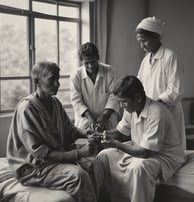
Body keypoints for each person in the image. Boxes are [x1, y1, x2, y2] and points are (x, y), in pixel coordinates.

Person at [6, 61, 104, 202]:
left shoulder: (55, 103)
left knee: (95, 165)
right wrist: (79, 153)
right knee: (78, 176)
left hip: (54, 158)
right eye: (52, 79)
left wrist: (85, 133)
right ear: (36, 81)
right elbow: (40, 154)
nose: (57, 84)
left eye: (58, 79)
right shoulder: (27, 109)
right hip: (33, 167)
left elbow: (68, 129)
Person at [97, 75, 185, 202]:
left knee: (138, 168)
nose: (121, 106)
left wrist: (116, 144)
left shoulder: (156, 112)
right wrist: (103, 134)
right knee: (104, 155)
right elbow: (121, 131)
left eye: (124, 101)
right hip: (140, 148)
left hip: (164, 156)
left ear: (137, 97)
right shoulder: (131, 108)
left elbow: (145, 153)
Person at [136, 16, 186, 149]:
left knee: (170, 150)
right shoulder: (145, 61)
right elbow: (139, 86)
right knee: (151, 150)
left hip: (168, 113)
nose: (142, 46)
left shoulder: (170, 57)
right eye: (140, 41)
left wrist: (153, 106)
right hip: (150, 115)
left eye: (145, 41)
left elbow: (175, 91)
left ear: (156, 37)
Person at [70, 42, 120, 132]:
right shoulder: (76, 75)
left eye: (92, 62)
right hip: (85, 120)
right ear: (81, 61)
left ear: (97, 58)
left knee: (109, 143)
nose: (90, 66)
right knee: (87, 142)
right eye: (86, 63)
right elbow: (76, 101)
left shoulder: (109, 71)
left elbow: (114, 96)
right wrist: (89, 117)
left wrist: (105, 116)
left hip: (107, 119)